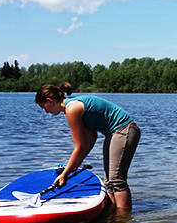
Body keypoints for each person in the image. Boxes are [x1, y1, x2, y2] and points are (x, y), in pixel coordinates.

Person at [36, 83, 141, 213]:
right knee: (109, 182)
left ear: (49, 101)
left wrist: (65, 174)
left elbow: (80, 147)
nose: (46, 112)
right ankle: (113, 215)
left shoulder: (72, 109)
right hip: (113, 133)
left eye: (44, 107)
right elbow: (91, 137)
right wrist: (75, 163)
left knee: (117, 180)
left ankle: (123, 222)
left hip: (124, 129)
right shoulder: (73, 106)